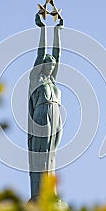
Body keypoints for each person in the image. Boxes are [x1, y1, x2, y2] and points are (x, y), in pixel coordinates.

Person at [28, 13, 63, 201]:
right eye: (48, 64)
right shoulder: (37, 79)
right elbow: (42, 53)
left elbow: (58, 54)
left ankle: (51, 192)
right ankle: (39, 193)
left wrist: (58, 31)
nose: (51, 66)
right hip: (42, 115)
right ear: (42, 65)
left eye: (53, 64)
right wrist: (43, 29)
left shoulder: (53, 81)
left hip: (56, 116)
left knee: (52, 155)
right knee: (41, 154)